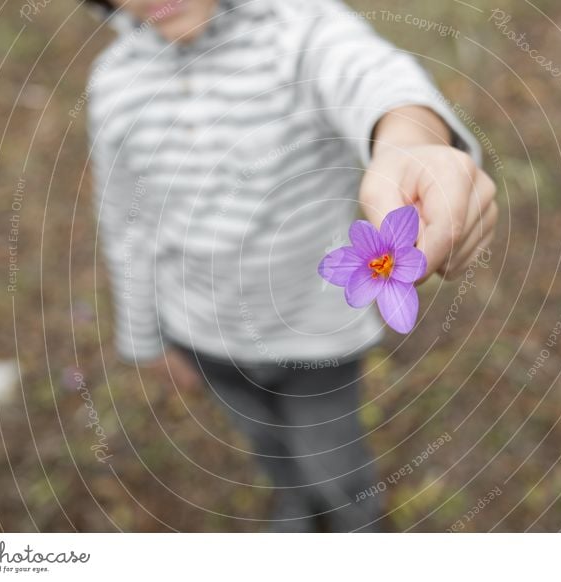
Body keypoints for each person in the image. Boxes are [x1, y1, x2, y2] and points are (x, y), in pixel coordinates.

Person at [83, 0, 497, 531]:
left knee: (334, 460)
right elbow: (125, 223)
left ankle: (356, 522)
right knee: (268, 445)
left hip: (314, 343)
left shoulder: (300, 30)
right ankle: (297, 504)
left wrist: (413, 143)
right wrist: (144, 339)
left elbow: (372, 77)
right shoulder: (114, 82)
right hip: (202, 335)